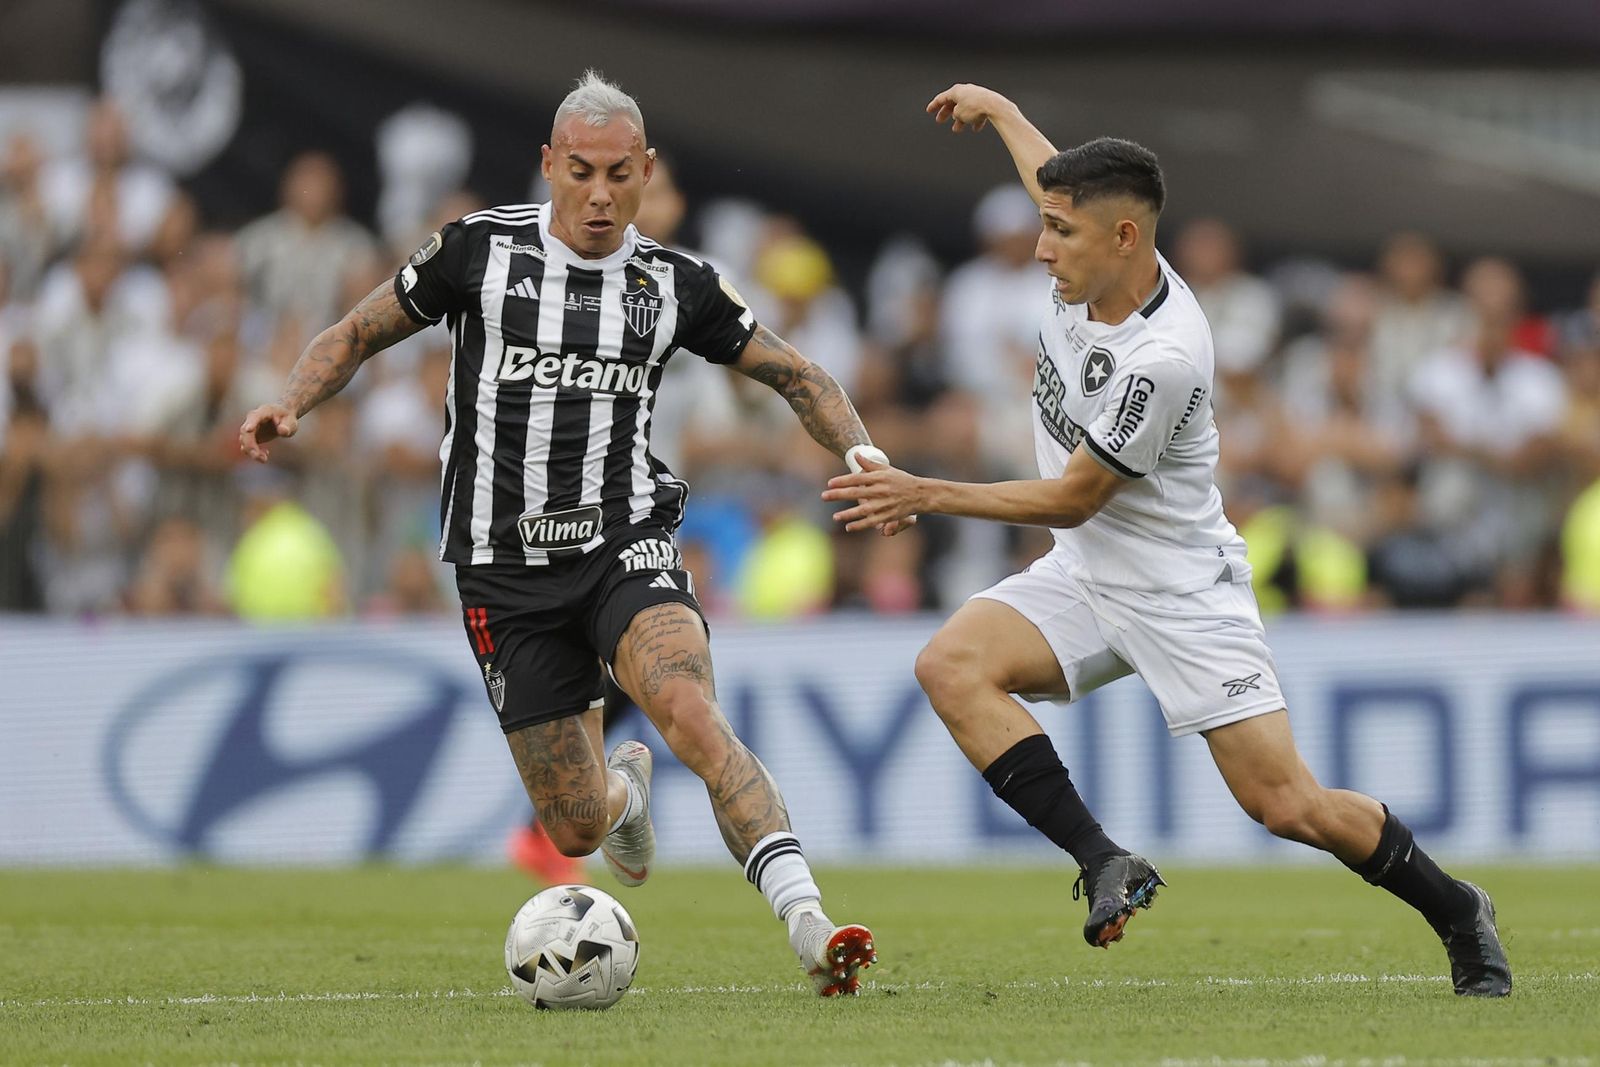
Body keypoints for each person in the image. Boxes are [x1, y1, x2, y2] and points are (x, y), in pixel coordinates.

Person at [824, 82, 1510, 998]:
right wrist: (1001, 112)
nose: (1040, 246)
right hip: (1088, 573)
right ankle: (1105, 858)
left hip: (1181, 590)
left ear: (1124, 240)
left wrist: (923, 489)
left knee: (1287, 806)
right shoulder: (1089, 253)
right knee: (950, 665)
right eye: (1045, 223)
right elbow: (1052, 179)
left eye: (1059, 232)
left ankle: (1457, 907)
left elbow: (1074, 497)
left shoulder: (1167, 356)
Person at [239, 70, 880, 997]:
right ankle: (624, 791)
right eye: (580, 171)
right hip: (503, 571)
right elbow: (358, 329)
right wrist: (289, 402)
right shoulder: (476, 252)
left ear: (647, 171)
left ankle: (810, 923)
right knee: (575, 827)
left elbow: (798, 375)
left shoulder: (675, 283)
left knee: (692, 713)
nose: (600, 194)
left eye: (621, 173)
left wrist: (865, 456)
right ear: (547, 163)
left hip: (625, 541)